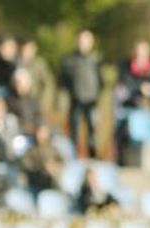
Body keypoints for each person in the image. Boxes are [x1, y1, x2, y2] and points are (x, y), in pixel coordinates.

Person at [58, 29, 103, 158]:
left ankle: (93, 156)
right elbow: (62, 81)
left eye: (86, 41)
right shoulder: (69, 60)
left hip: (92, 101)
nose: (83, 43)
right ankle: (73, 156)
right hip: (75, 100)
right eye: (81, 40)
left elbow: (101, 81)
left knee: (92, 129)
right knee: (74, 130)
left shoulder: (97, 60)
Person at [20, 122, 64, 194]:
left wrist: (55, 167)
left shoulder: (53, 149)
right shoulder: (32, 150)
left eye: (45, 132)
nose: (42, 135)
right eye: (40, 132)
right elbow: (25, 165)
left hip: (51, 183)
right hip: (36, 182)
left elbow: (61, 163)